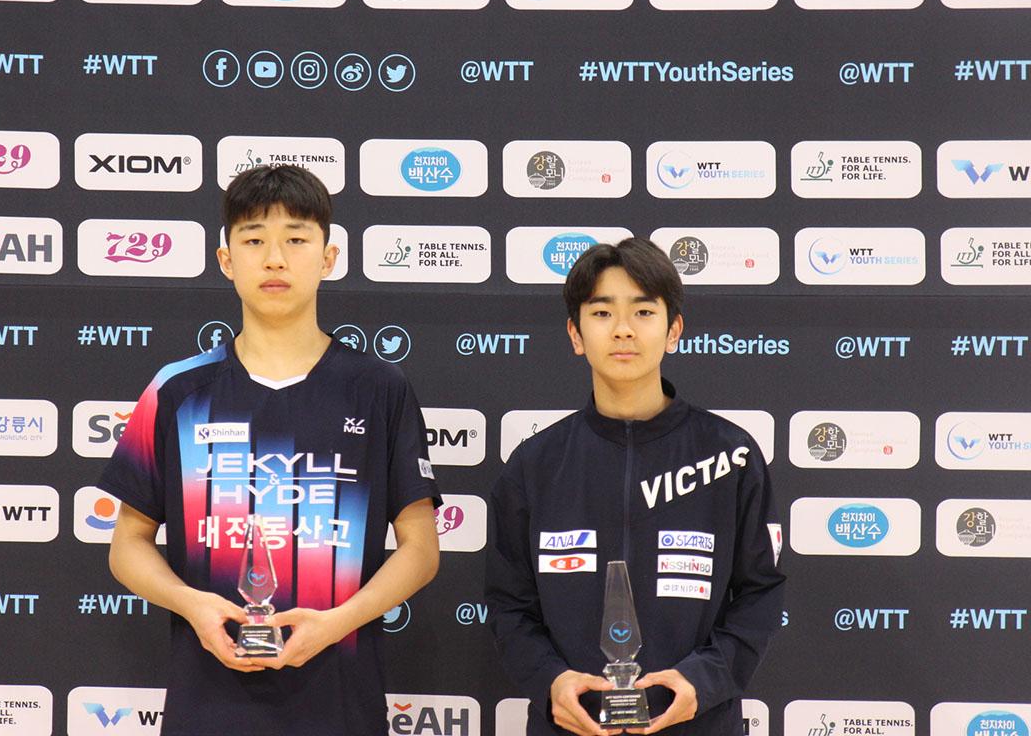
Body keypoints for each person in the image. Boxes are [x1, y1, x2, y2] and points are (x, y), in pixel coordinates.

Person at [98, 164, 441, 735]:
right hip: (206, 705)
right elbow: (127, 545)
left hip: (340, 703)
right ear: (226, 259)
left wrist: (338, 622)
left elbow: (422, 550)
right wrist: (192, 604)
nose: (275, 259)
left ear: (328, 258)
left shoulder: (379, 388)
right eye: (254, 240)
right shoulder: (177, 390)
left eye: (296, 240)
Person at [485, 237, 785, 736]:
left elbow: (761, 592)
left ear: (673, 330)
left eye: (643, 312)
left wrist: (703, 681)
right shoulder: (534, 465)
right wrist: (552, 680)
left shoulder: (731, 455)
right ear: (575, 334)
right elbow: (508, 604)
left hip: (698, 724)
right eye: (602, 313)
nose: (623, 329)